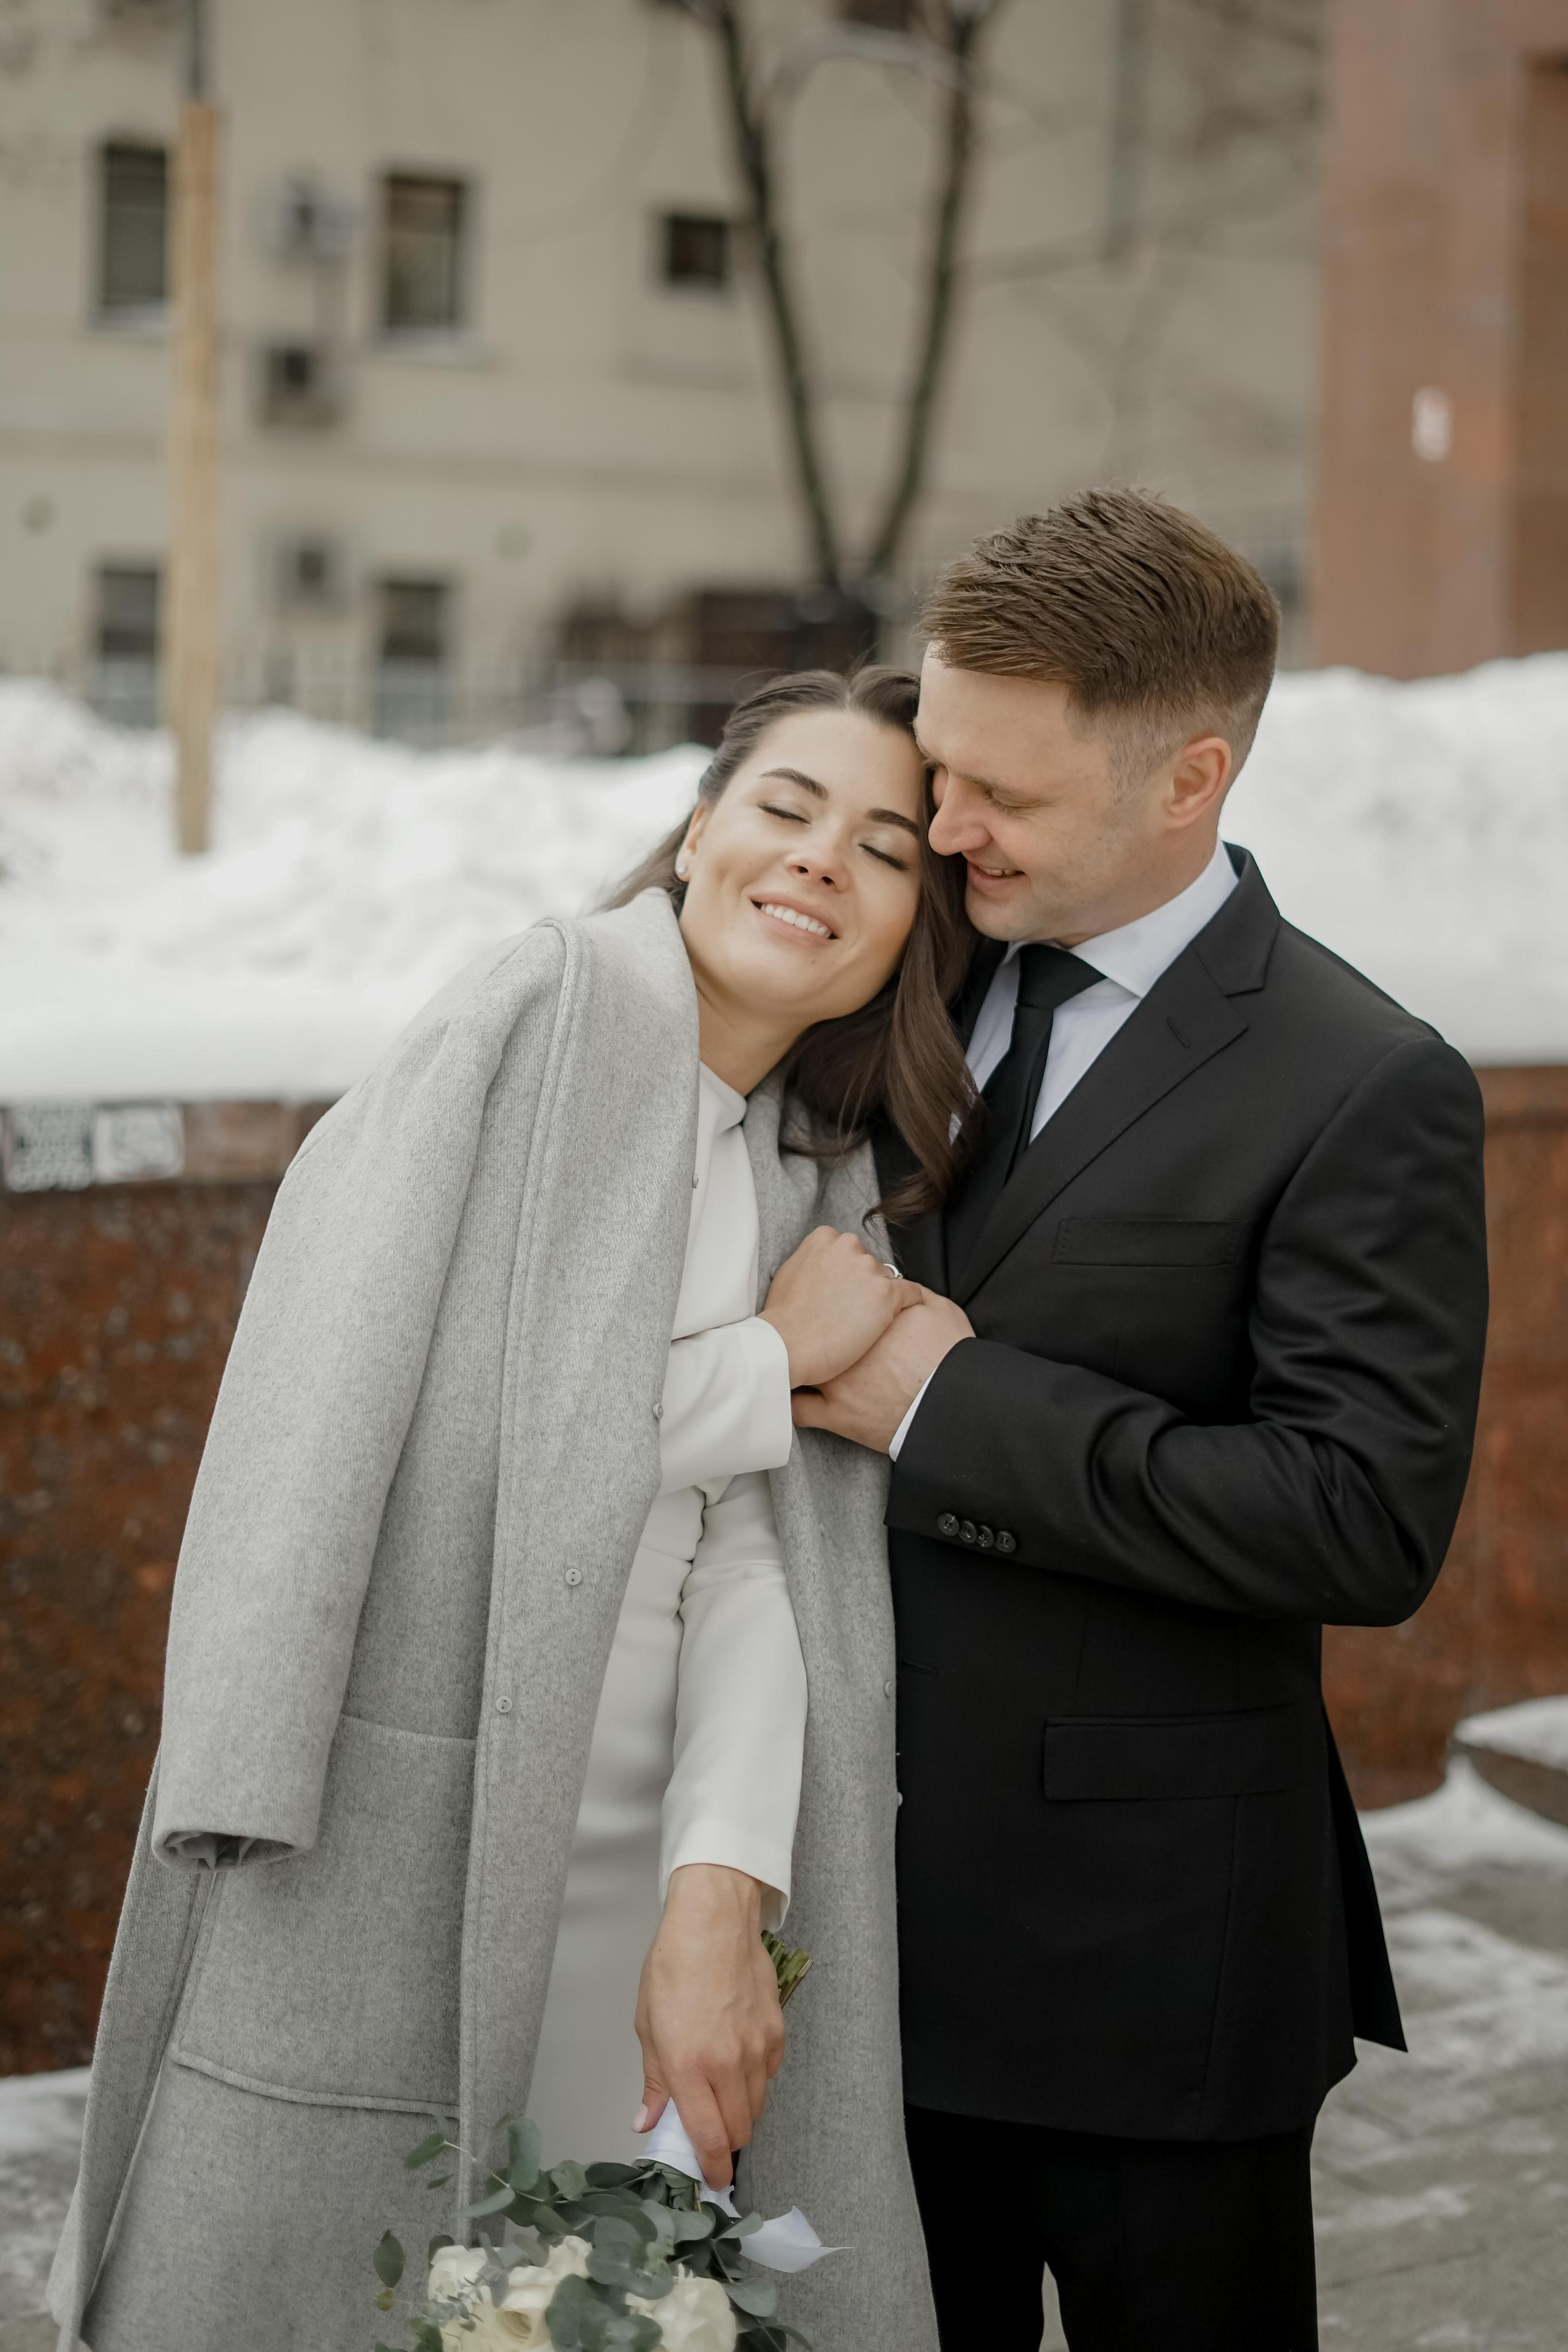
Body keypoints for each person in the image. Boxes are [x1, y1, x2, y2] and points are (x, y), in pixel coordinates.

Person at [51, 667, 970, 2352]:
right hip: (427, 1806)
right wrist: (770, 1365)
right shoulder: (535, 1024)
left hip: (651, 1847)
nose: (825, 859)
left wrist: (726, 1881)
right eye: (786, 808)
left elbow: (772, 1563)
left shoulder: (810, 1173)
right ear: (694, 833)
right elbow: (432, 1440)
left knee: (591, 2289)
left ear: (913, 927)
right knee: (331, 2287)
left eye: (886, 847)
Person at [790, 492, 1490, 2351]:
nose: (943, 828)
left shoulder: (1365, 1083)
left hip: (1151, 1975)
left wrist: (940, 1398)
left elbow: (1360, 1518)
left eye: (999, 797)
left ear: (1189, 778)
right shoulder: (897, 960)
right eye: (940, 768)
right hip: (845, 1940)